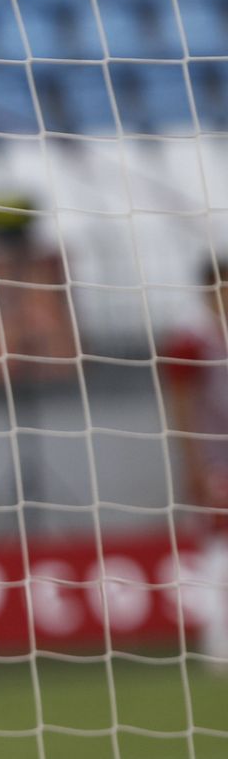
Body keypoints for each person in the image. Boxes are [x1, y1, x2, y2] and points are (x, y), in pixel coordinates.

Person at [163, 256, 228, 670]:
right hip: (217, 462)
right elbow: (183, 408)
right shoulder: (192, 341)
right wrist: (193, 464)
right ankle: (219, 646)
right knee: (220, 554)